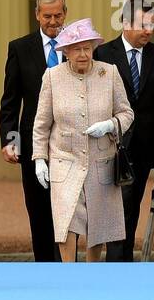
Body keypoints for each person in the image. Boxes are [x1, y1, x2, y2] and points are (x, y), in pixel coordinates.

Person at [32, 18, 134, 262]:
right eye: (77, 48)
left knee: (97, 225)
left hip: (101, 161)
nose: (83, 54)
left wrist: (110, 125)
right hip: (64, 161)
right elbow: (41, 123)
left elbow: (127, 113)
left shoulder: (108, 73)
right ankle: (69, 273)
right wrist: (39, 159)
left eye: (87, 48)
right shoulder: (52, 77)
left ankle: (91, 273)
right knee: (67, 221)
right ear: (66, 51)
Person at [94, 6, 154, 262]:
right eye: (143, 24)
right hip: (108, 145)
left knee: (130, 208)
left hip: (143, 147)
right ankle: (117, 266)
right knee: (116, 208)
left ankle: (122, 264)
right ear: (125, 23)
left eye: (152, 24)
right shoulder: (102, 54)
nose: (149, 30)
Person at [0, 0, 67, 262]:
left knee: (66, 208)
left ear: (65, 14)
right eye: (47, 16)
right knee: (38, 209)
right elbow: (11, 101)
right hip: (31, 142)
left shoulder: (75, 46)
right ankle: (44, 268)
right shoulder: (20, 48)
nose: (53, 21)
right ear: (37, 15)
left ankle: (67, 267)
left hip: (68, 140)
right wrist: (10, 140)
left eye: (58, 15)